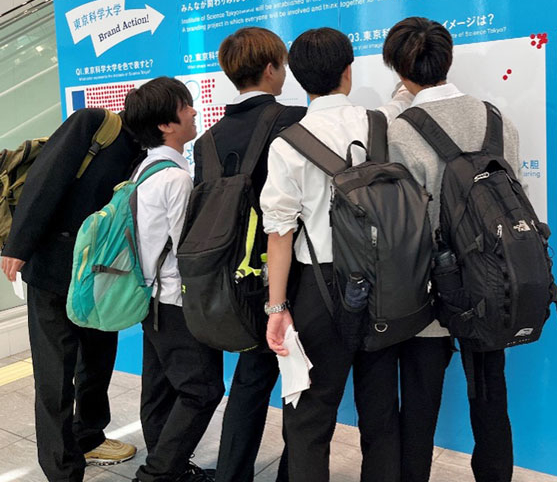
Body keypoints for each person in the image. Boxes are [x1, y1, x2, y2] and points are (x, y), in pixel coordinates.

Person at [260, 27, 413, 482]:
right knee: (381, 413)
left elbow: (280, 234)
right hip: (385, 283)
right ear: (349, 71)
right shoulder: (381, 123)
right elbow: (399, 101)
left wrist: (277, 307)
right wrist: (404, 86)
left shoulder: (288, 144)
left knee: (310, 420)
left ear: (299, 80)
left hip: (318, 292)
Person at [385, 16, 517, 482]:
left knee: (420, 405)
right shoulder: (498, 120)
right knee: (491, 399)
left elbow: (404, 223)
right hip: (492, 284)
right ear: (448, 57)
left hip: (430, 291)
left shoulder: (399, 131)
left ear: (397, 67)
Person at [1, 108, 140, 482]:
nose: (191, 115)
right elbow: (47, 177)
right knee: (54, 374)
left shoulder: (144, 151)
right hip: (51, 269)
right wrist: (18, 245)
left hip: (98, 277)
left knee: (98, 359)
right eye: (182, 109)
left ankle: (90, 436)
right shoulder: (93, 124)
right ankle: (62, 469)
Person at [194, 27, 306, 482]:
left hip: (235, 280)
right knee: (303, 386)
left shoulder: (206, 142)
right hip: (295, 270)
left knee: (250, 381)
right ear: (271, 68)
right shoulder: (295, 119)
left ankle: (231, 474)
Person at [123, 77, 224, 482]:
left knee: (159, 390)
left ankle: (173, 470)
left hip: (150, 300)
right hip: (177, 303)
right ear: (167, 123)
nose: (194, 112)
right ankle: (158, 474)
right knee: (202, 390)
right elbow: (191, 250)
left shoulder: (144, 169)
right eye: (186, 106)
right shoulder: (177, 178)